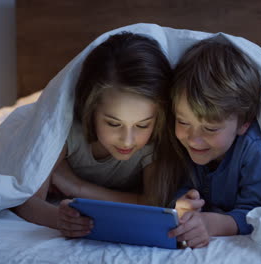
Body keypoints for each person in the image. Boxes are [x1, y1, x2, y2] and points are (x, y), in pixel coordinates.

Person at [12, 32, 183, 238]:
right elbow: (27, 200)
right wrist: (58, 218)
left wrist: (77, 186)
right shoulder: (66, 132)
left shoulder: (154, 141)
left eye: (142, 125)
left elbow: (153, 204)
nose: (128, 140)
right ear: (90, 108)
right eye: (113, 123)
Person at [167, 37, 261, 248]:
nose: (194, 138)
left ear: (243, 124)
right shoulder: (179, 142)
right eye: (183, 121)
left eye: (210, 128)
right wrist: (182, 205)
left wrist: (211, 224)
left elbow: (257, 213)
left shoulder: (254, 149)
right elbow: (176, 189)